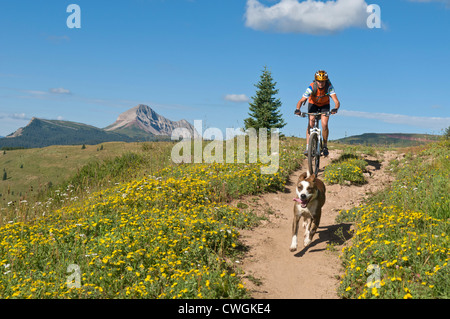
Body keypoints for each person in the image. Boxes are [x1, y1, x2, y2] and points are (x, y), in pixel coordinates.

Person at [294, 70, 340, 157]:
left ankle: (325, 146)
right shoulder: (312, 87)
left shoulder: (329, 87)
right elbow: (301, 100)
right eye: (319, 81)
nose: (321, 83)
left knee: (324, 124)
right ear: (316, 80)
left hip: (325, 105)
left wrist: (335, 108)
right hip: (313, 104)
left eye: (323, 81)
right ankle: (308, 147)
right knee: (311, 122)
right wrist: (297, 109)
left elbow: (336, 101)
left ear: (325, 81)